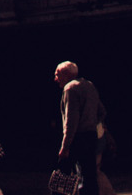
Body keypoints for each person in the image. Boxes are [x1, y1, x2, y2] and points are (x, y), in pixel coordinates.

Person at [52, 62, 100, 195]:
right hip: (91, 136)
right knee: (89, 176)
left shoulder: (70, 88)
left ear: (66, 75)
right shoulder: (89, 86)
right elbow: (101, 111)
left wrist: (65, 146)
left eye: (57, 74)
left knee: (63, 174)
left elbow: (71, 121)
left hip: (77, 137)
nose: (55, 79)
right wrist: (90, 121)